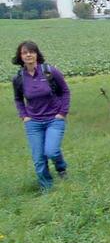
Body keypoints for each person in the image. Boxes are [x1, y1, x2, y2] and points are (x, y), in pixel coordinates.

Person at [12, 41, 70, 191]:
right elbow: (18, 99)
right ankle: (47, 189)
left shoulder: (50, 72)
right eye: (25, 52)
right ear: (21, 56)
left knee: (51, 151)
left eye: (31, 51)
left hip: (54, 119)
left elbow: (65, 91)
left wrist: (62, 113)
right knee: (39, 159)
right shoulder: (18, 78)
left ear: (37, 54)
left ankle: (61, 168)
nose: (29, 55)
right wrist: (24, 116)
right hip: (33, 123)